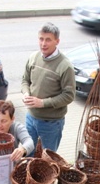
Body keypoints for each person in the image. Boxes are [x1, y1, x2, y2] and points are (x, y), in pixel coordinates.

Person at [21, 22, 76, 153]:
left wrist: (42, 103)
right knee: (28, 156)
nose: (43, 44)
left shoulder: (65, 66)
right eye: (41, 39)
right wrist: (26, 93)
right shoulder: (33, 57)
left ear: (57, 41)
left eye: (48, 40)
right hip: (30, 118)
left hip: (50, 123)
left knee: (47, 161)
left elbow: (69, 95)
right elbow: (25, 80)